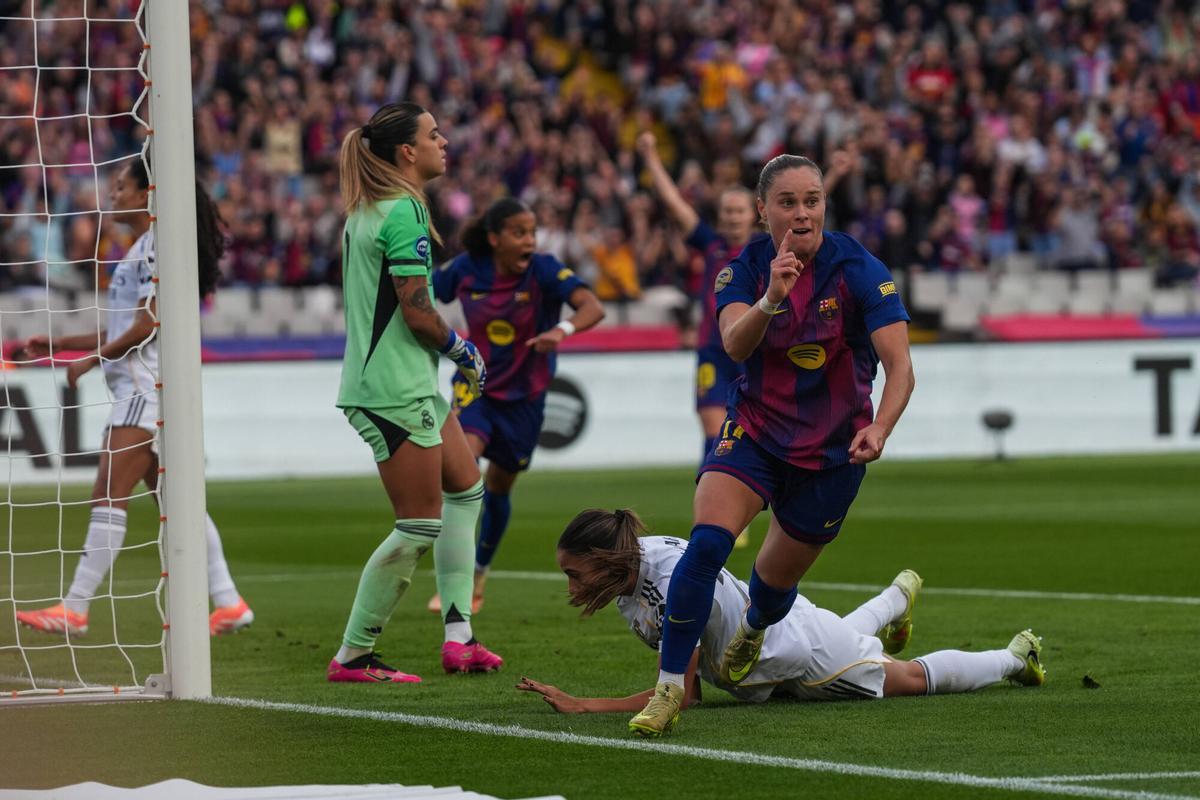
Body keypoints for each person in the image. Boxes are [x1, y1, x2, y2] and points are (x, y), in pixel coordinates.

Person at [630, 154, 916, 735]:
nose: (803, 213)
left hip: (834, 454)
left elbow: (901, 366)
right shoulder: (742, 270)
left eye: (812, 200)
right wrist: (772, 298)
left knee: (769, 590)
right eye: (788, 203)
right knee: (705, 547)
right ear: (764, 212)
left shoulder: (859, 269)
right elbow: (734, 346)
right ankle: (667, 691)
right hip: (755, 432)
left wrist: (880, 426)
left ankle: (756, 627)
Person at [15, 159, 253, 638]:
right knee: (175, 500)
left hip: (148, 387)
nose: (113, 195)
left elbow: (149, 323)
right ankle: (229, 601)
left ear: (149, 194)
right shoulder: (141, 248)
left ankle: (76, 607)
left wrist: (91, 361)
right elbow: (125, 324)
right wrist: (65, 344)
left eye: (121, 187)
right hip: (143, 386)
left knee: (108, 490)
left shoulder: (157, 248)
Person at [519, 509, 1044, 722]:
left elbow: (682, 693)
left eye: (573, 573)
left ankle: (1014, 657)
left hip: (792, 654)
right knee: (847, 637)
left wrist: (585, 704)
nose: (572, 586)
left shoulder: (668, 584)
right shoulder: (631, 572)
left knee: (904, 678)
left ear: (603, 558)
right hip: (768, 645)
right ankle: (896, 598)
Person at [329, 101, 502, 684]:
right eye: (433, 134)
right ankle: (354, 655)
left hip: (407, 384)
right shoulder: (402, 211)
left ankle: (460, 639)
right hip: (391, 389)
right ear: (408, 151)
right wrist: (465, 351)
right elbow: (419, 314)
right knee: (419, 524)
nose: (443, 140)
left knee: (467, 490)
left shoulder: (369, 210)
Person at [425, 198, 605, 614]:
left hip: (525, 399)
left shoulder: (543, 270)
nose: (529, 240)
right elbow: (423, 290)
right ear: (495, 239)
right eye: (519, 232)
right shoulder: (469, 269)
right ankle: (455, 580)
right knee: (462, 472)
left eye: (532, 232)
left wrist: (561, 330)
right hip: (476, 388)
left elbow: (593, 307)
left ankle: (479, 573)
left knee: (499, 487)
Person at [636, 131, 758, 464]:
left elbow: (804, 216)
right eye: (728, 211)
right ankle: (717, 502)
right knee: (714, 433)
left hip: (753, 351)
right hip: (713, 351)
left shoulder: (765, 250)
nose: (733, 217)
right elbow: (675, 203)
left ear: (755, 215)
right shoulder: (712, 245)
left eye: (739, 211)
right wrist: (650, 157)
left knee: (756, 434)